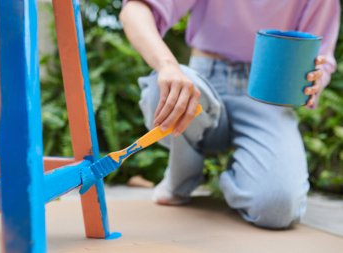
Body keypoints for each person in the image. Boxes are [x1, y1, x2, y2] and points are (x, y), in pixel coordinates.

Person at [119, 0, 340, 229]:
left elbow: (320, 57)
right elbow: (134, 10)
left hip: (268, 93)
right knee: (165, 89)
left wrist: (313, 80)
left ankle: (238, 175)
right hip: (205, 79)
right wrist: (167, 66)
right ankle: (183, 173)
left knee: (277, 207)